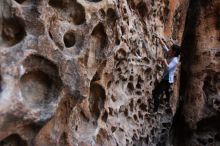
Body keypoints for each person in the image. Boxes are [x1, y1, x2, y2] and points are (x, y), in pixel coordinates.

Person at [153, 37, 181, 112]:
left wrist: (164, 61)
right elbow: (165, 48)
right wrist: (160, 41)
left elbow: (168, 68)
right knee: (163, 90)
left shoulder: (175, 60)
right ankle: (167, 100)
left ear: (174, 52)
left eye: (171, 49)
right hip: (165, 78)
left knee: (156, 93)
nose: (169, 49)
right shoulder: (170, 54)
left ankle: (155, 111)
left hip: (167, 80)